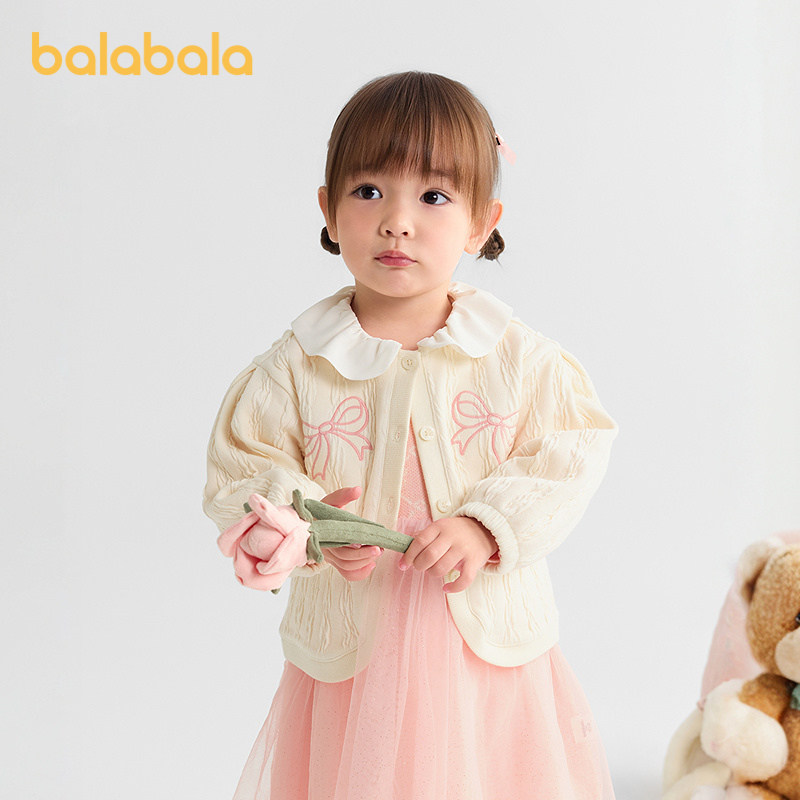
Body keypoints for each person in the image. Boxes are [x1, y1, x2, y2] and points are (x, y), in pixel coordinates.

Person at [203, 70, 618, 800]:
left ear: (482, 222)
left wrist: (487, 525)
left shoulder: (517, 358)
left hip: (485, 651)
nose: (398, 221)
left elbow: (569, 451)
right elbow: (243, 465)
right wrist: (311, 525)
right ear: (329, 211)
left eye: (433, 197)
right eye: (369, 191)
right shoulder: (297, 364)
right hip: (352, 656)